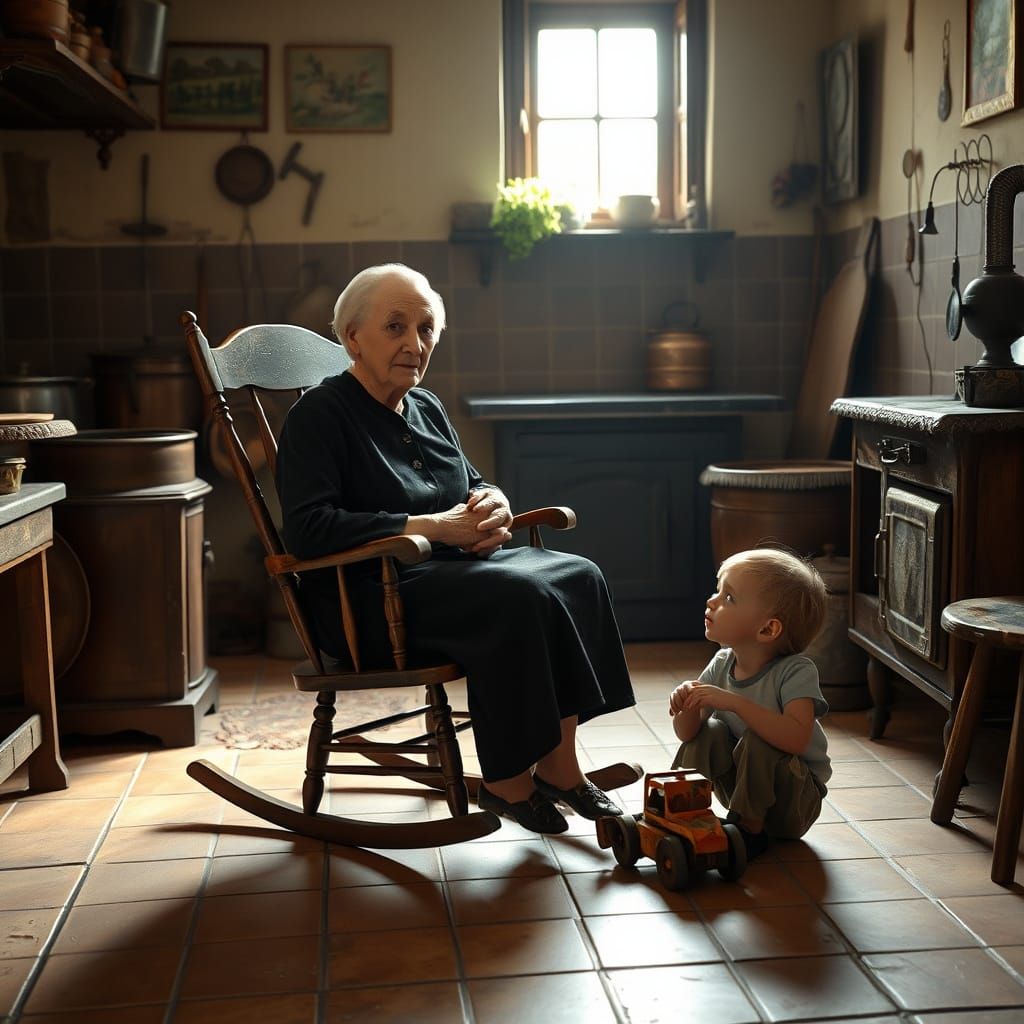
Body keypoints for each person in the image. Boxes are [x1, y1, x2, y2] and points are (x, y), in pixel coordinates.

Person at [276, 263, 636, 835]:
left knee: (578, 575)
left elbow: (470, 483)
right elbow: (309, 530)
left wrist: (491, 501)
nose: (413, 345)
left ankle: (559, 766)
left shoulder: (426, 407)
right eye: (395, 328)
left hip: (448, 578)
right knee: (517, 594)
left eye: (425, 330)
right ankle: (507, 782)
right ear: (352, 337)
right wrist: (435, 528)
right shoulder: (319, 416)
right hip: (372, 600)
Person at [668, 547, 830, 861]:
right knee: (710, 729)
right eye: (718, 590)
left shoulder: (796, 671)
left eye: (729, 598)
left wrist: (735, 703)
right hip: (743, 789)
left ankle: (748, 831)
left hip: (793, 803)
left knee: (761, 740)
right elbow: (689, 734)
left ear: (767, 629)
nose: (712, 601)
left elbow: (795, 738)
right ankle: (677, 808)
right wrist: (687, 704)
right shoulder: (721, 663)